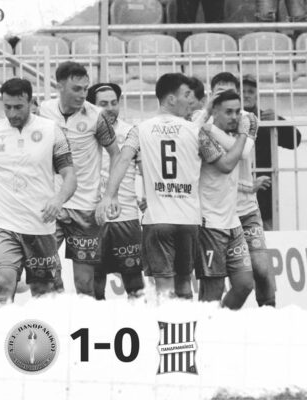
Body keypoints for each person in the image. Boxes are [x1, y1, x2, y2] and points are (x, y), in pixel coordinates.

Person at [97, 73, 215, 299]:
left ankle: (165, 322)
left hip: (158, 219)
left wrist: (109, 195)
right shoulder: (195, 130)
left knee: (163, 288)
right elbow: (219, 162)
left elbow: (122, 159)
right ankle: (187, 322)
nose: (190, 100)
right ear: (171, 99)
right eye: (186, 95)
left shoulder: (140, 129)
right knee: (184, 285)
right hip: (188, 219)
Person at [0, 78, 76, 306]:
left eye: (18, 107)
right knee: (3, 285)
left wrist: (58, 199)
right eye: (7, 107)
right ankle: (2, 329)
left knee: (44, 294)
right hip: (3, 225)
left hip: (40, 227)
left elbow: (70, 175)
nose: (12, 113)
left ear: (30, 102)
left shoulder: (52, 131)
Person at [39, 62, 120, 297]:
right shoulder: (43, 111)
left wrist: (110, 195)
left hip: (85, 207)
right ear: (59, 86)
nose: (83, 94)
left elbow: (116, 154)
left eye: (85, 89)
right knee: (44, 273)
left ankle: (85, 319)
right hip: (52, 204)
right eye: (76, 89)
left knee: (84, 283)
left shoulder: (96, 116)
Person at [206, 73, 276, 307]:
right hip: (217, 213)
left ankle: (270, 314)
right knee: (218, 283)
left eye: (231, 92)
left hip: (246, 209)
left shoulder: (248, 119)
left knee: (262, 270)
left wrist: (210, 129)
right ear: (212, 95)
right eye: (220, 92)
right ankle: (215, 322)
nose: (226, 96)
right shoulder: (201, 122)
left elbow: (243, 152)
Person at [196, 89, 255, 310]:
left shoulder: (233, 139)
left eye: (238, 112)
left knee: (244, 284)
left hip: (232, 221)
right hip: (210, 223)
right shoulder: (204, 134)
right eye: (228, 112)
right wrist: (242, 134)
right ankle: (206, 328)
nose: (234, 117)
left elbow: (243, 152)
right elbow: (227, 165)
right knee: (213, 290)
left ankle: (218, 323)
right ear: (215, 113)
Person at [86, 82, 144, 300]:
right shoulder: (82, 133)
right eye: (103, 104)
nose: (110, 108)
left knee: (135, 284)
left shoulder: (130, 131)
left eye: (114, 102)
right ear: (92, 106)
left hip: (125, 216)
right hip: (92, 217)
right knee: (94, 284)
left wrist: (147, 196)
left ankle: (138, 320)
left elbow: (145, 170)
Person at [242, 74, 302, 231]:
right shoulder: (230, 121)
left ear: (257, 95)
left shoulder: (266, 119)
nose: (246, 95)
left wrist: (278, 121)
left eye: (250, 91)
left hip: (263, 198)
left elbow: (295, 140)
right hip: (237, 196)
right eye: (243, 91)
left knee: (267, 240)